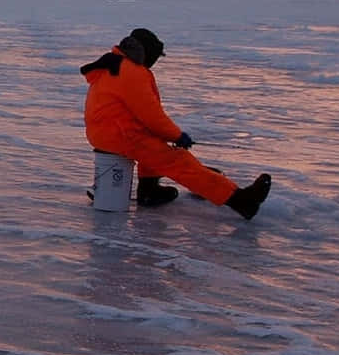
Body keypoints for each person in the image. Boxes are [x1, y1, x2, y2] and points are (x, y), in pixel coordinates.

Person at [80, 28, 272, 219]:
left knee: (154, 145)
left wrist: (167, 135)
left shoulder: (116, 64)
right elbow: (151, 116)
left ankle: (149, 190)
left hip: (107, 132)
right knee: (179, 161)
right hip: (121, 135)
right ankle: (242, 201)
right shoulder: (131, 72)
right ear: (148, 53)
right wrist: (176, 136)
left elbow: (145, 117)